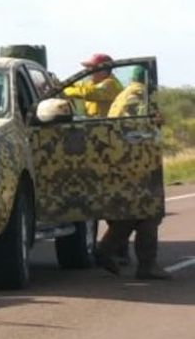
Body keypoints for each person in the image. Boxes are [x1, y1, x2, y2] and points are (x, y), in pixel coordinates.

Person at [95, 66, 161, 272]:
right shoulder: (139, 95)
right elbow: (138, 128)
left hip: (123, 159)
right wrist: (156, 122)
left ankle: (142, 263)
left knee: (139, 213)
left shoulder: (125, 93)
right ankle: (140, 263)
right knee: (146, 211)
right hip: (134, 160)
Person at [62, 53, 123, 117]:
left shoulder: (111, 84)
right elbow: (81, 86)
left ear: (103, 71)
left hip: (106, 124)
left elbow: (89, 93)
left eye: (92, 69)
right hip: (94, 122)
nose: (88, 72)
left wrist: (65, 91)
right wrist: (65, 85)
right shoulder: (94, 83)